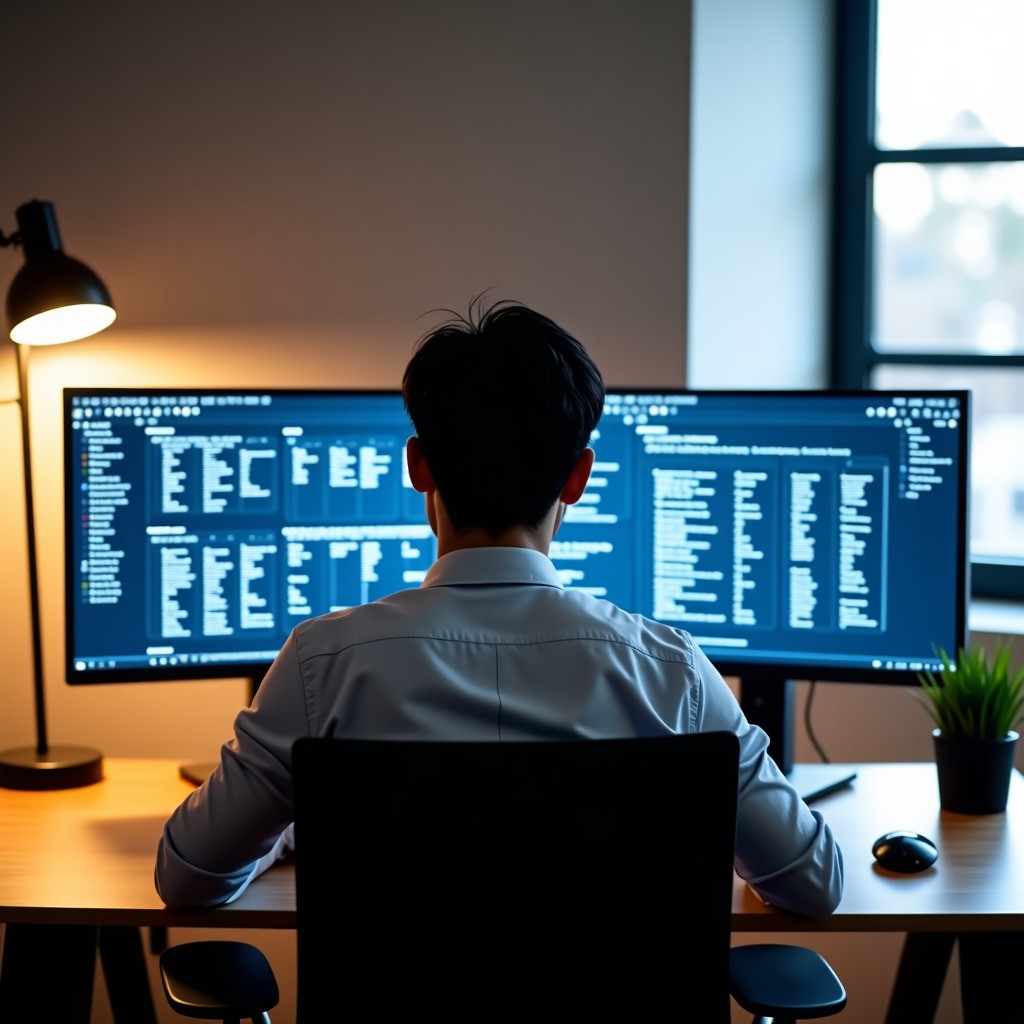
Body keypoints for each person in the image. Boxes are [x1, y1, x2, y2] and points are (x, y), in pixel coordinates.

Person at [155, 297, 844, 917]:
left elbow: (187, 878)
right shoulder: (672, 673)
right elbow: (813, 885)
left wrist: (285, 830)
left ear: (418, 465)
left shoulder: (322, 664)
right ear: (579, 477)